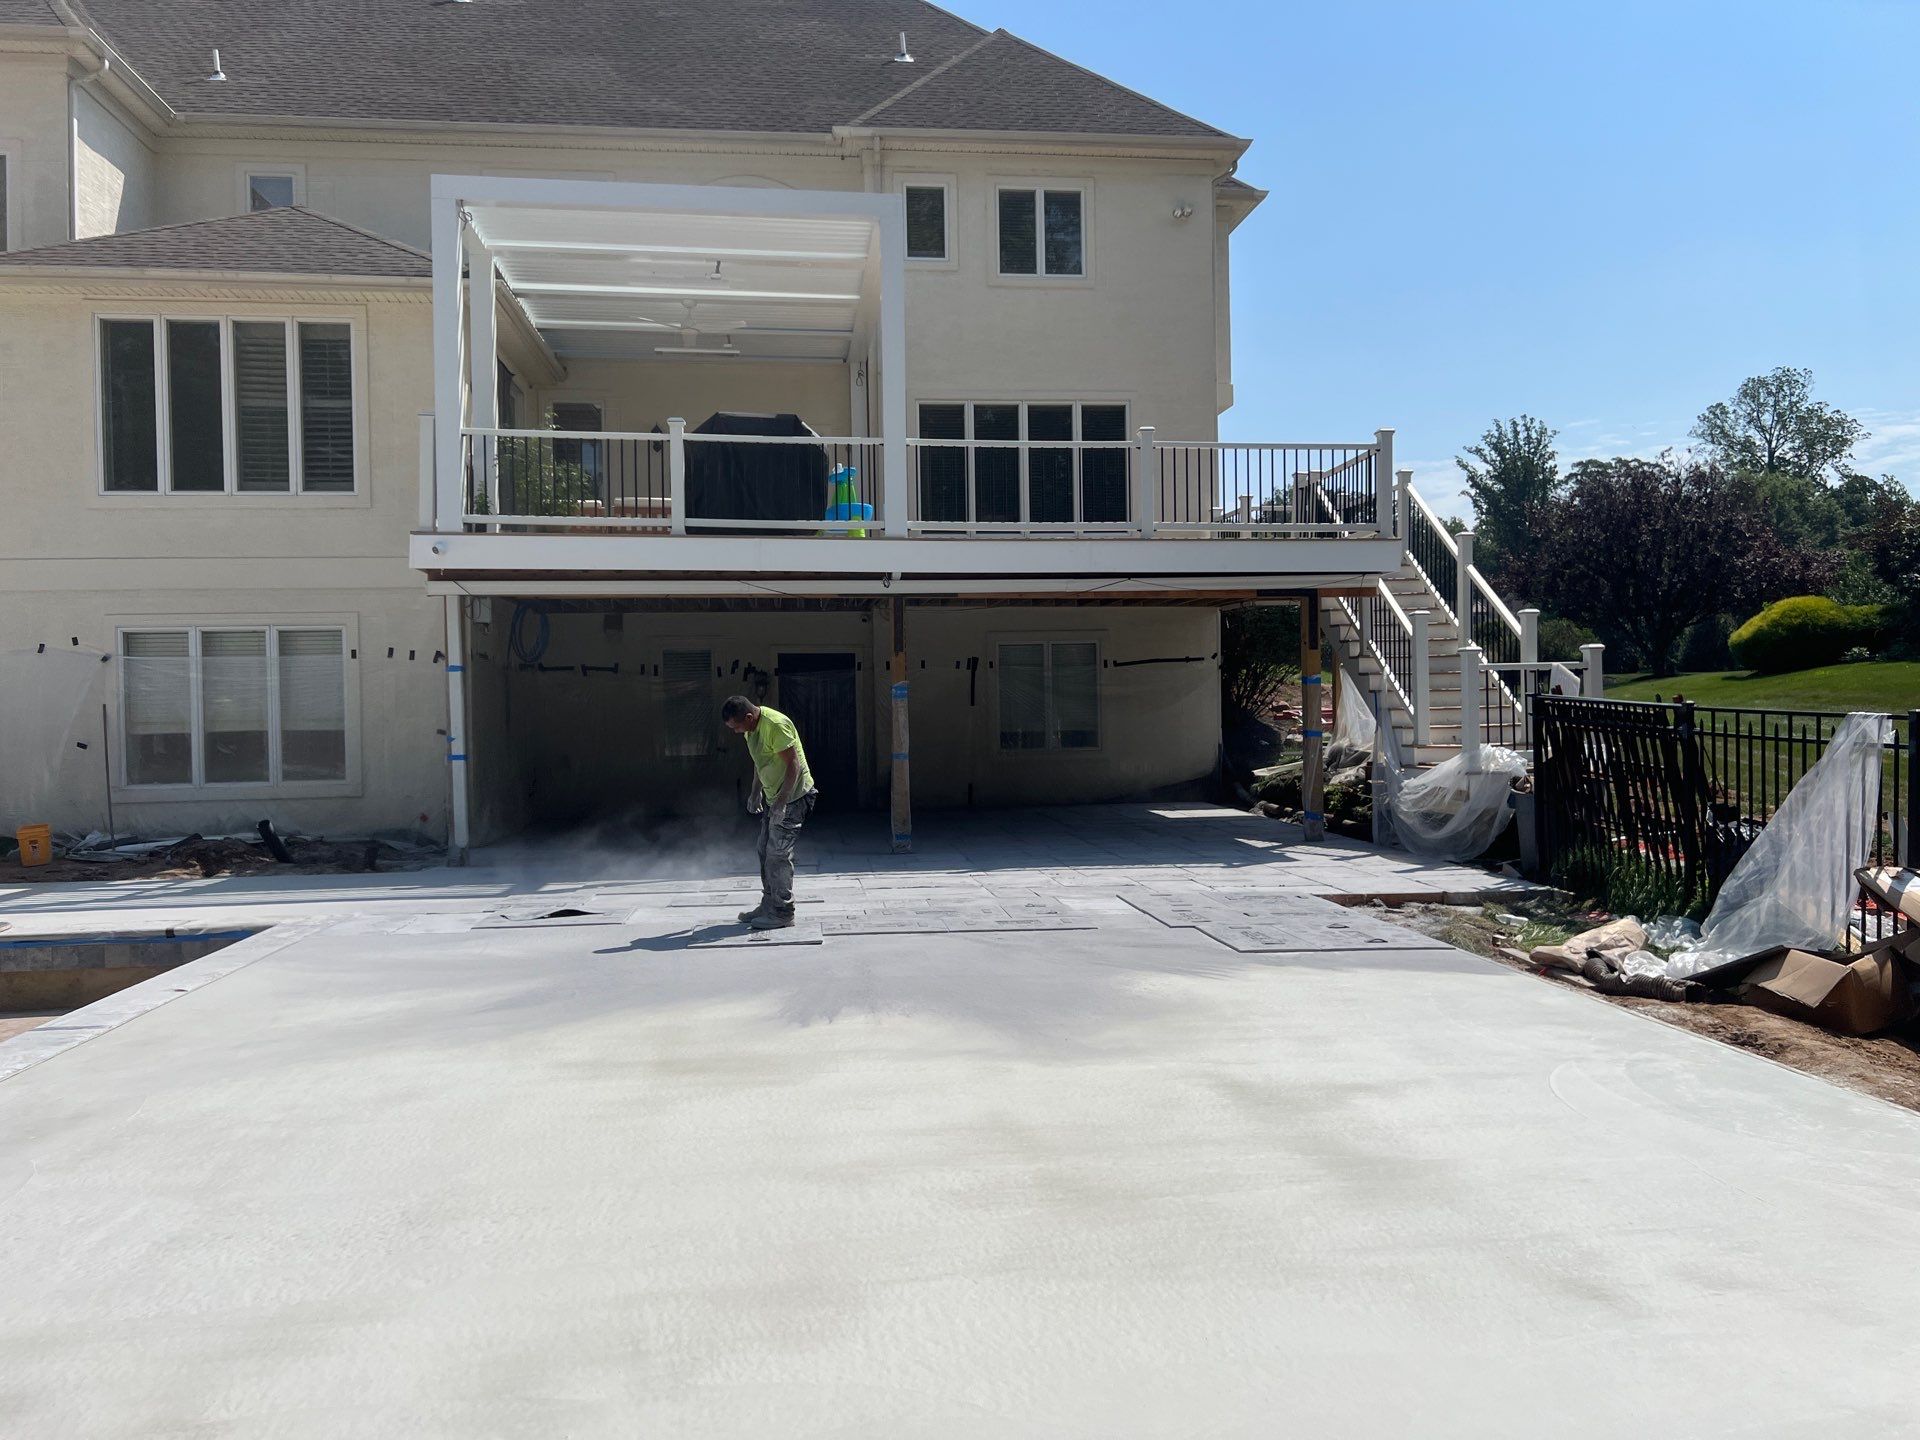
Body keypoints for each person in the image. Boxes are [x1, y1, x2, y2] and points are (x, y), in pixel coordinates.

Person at [720, 695, 817, 929]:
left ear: (749, 717)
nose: (735, 732)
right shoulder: (751, 730)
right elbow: (760, 761)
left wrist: (782, 803)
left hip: (794, 797)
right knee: (763, 849)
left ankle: (783, 911)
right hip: (775, 797)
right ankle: (769, 904)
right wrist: (755, 792)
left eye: (736, 726)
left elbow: (793, 764)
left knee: (778, 855)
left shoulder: (775, 725)